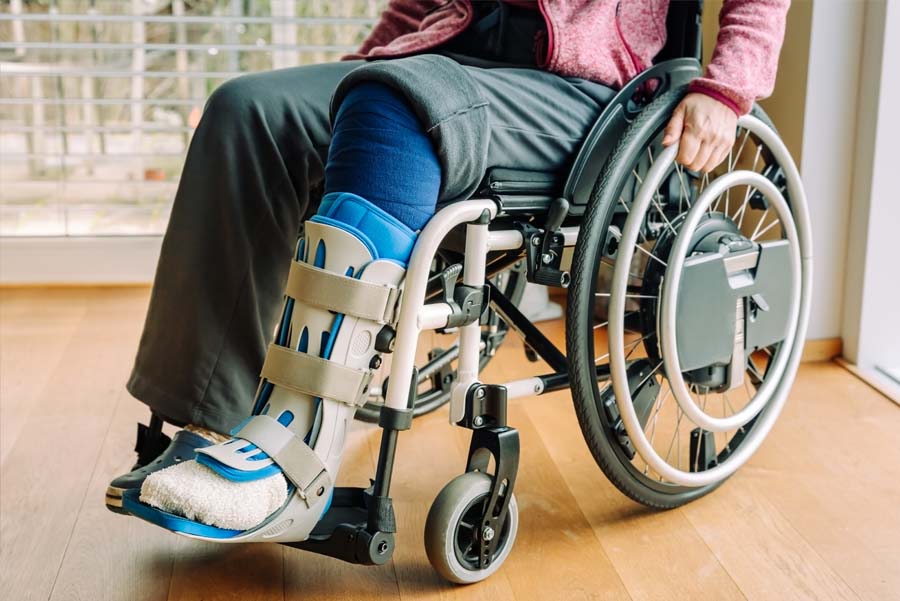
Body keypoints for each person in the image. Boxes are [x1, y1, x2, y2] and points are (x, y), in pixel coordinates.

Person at [107, 0, 789, 539]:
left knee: (397, 103)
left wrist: (727, 88)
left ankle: (294, 453)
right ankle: (205, 422)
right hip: (445, 57)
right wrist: (357, 76)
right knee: (248, 109)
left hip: (588, 91)